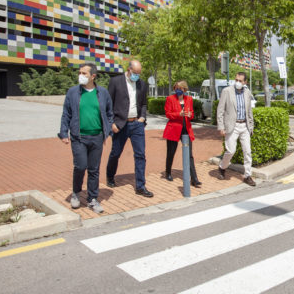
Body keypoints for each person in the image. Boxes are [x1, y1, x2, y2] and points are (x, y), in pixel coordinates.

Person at [58, 62, 113, 214]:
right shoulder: (73, 92)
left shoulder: (102, 93)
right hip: (79, 137)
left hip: (97, 137)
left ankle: (92, 199)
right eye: (80, 72)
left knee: (94, 169)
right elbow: (66, 114)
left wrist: (107, 131)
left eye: (84, 73)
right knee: (81, 166)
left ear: (93, 76)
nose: (80, 76)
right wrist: (64, 133)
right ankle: (76, 193)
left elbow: (109, 113)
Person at [105, 59, 153, 197]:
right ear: (129, 69)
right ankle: (110, 175)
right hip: (120, 124)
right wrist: (111, 123)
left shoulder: (142, 84)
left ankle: (140, 186)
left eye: (139, 73)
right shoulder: (115, 82)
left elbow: (143, 104)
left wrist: (142, 118)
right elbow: (108, 104)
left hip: (137, 124)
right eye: (135, 73)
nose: (137, 75)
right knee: (115, 153)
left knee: (140, 155)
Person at [216, 72, 256, 186]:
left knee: (247, 152)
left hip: (244, 126)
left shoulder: (247, 93)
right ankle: (222, 167)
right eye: (236, 80)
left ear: (245, 82)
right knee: (230, 151)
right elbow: (220, 110)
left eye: (240, 80)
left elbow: (249, 111)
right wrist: (221, 127)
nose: (237, 82)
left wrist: (251, 126)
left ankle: (248, 175)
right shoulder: (227, 91)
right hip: (232, 126)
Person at [163, 80, 202, 187]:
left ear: (184, 89)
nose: (177, 90)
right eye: (176, 88)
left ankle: (194, 179)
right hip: (173, 129)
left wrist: (190, 115)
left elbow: (192, 114)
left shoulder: (189, 99)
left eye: (180, 88)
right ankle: (168, 172)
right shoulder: (170, 99)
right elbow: (168, 114)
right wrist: (178, 114)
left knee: (189, 155)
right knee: (171, 152)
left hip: (186, 130)